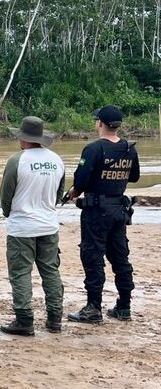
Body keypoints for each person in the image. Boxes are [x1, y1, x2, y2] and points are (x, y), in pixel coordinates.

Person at [65, 105, 140, 324]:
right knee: (120, 257)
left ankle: (93, 308)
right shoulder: (129, 148)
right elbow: (134, 176)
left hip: (96, 211)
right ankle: (124, 306)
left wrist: (72, 193)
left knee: (92, 256)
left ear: (100, 123)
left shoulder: (93, 149)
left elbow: (80, 182)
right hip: (119, 209)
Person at [0, 117, 66, 336]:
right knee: (50, 271)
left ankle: (24, 319)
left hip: (22, 227)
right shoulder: (57, 160)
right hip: (48, 224)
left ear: (22, 138)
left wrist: (10, 214)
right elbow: (58, 195)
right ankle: (55, 319)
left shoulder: (16, 160)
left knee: (20, 273)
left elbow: (5, 196)